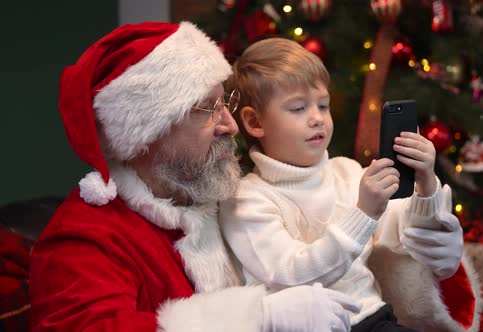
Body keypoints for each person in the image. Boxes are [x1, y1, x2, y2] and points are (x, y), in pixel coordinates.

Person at [29, 22, 362, 332]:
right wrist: (257, 317)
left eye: (225, 103)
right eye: (207, 109)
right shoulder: (84, 239)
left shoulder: (231, 197)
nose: (231, 127)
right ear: (147, 133)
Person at [217, 38, 483, 332]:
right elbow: (291, 273)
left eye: (323, 105)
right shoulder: (247, 199)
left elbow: (405, 234)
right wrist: (363, 213)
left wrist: (425, 184)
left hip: (373, 319)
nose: (317, 118)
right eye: (298, 108)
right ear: (255, 122)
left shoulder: (346, 172)